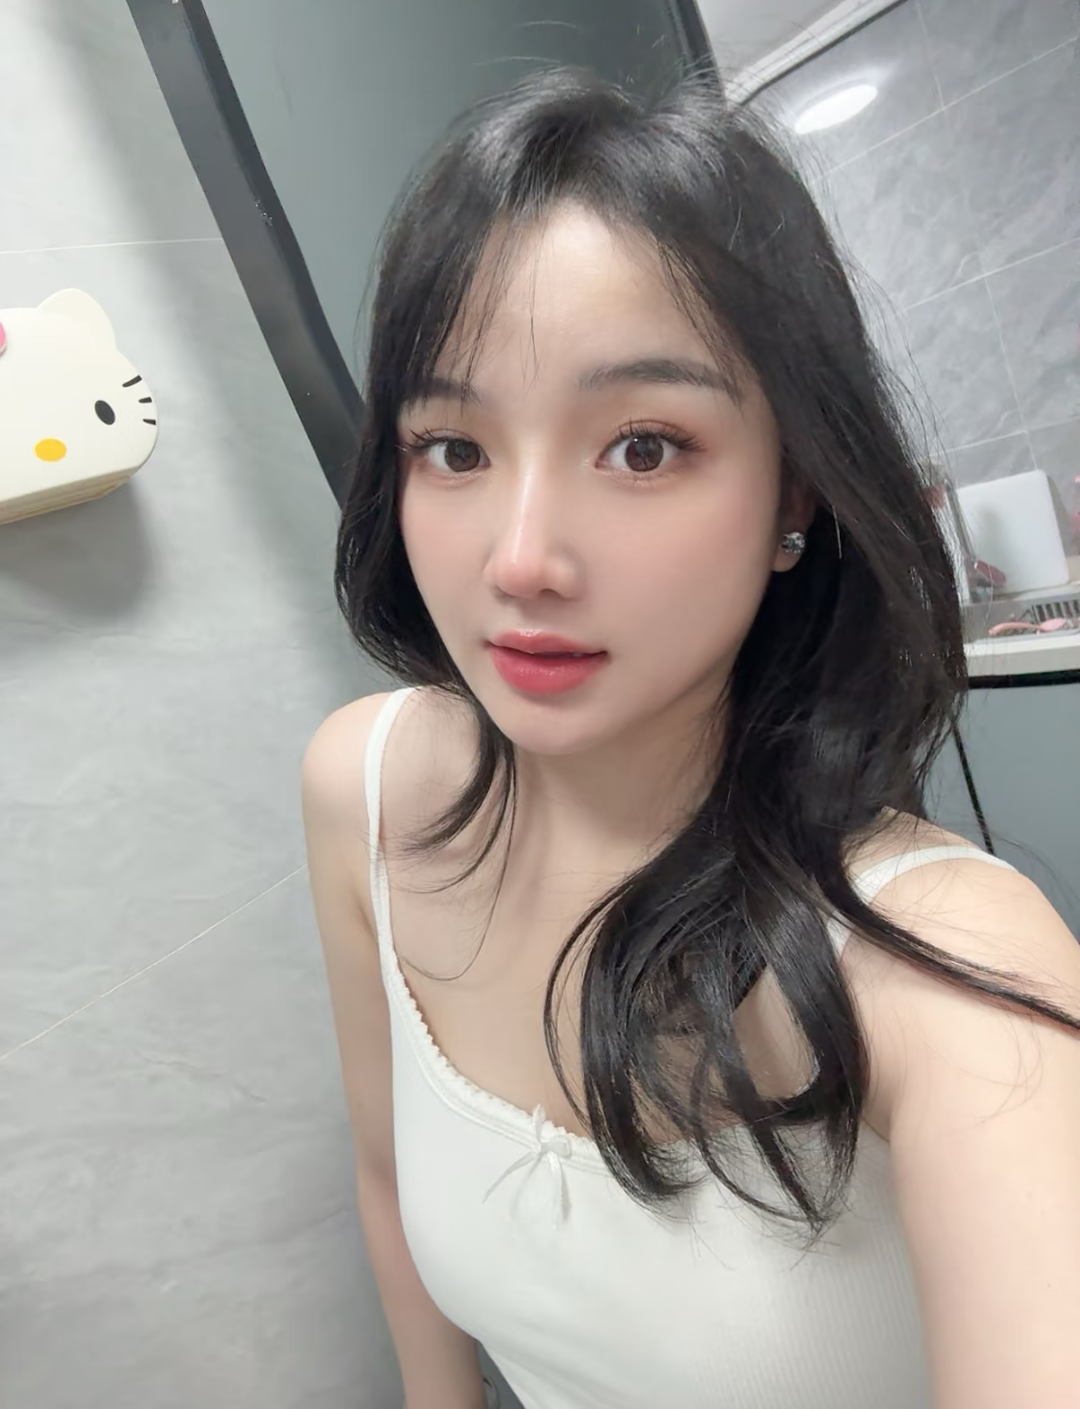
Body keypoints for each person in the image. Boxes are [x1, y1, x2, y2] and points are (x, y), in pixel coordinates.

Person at [302, 68, 1080, 1409]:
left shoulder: (946, 961)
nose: (520, 559)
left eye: (645, 448)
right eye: (455, 449)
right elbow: (386, 1183)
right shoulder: (365, 790)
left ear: (797, 495)